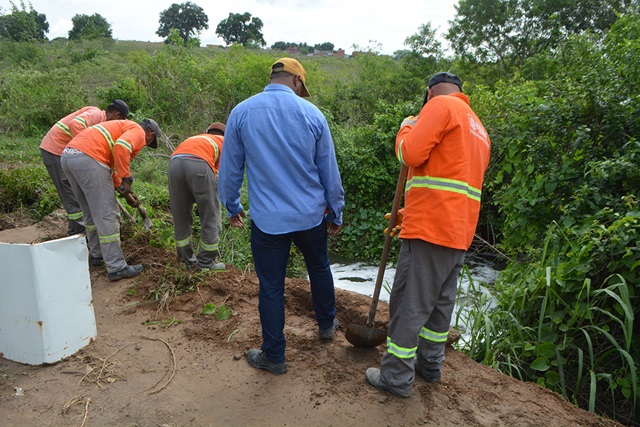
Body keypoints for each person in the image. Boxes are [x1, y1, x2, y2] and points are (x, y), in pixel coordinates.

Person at [365, 72, 491, 397]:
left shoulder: (439, 107)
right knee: (440, 305)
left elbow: (410, 155)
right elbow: (450, 181)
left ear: (429, 92)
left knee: (410, 303)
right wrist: (409, 214)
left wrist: (407, 126)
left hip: (430, 231)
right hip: (458, 232)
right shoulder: (478, 128)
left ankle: (396, 377)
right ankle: (430, 366)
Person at [218, 58, 345, 375]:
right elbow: (329, 170)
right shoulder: (312, 114)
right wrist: (336, 210)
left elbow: (231, 170)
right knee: (318, 267)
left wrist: (232, 206)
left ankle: (274, 356)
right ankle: (327, 324)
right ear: (298, 82)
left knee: (271, 286)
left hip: (268, 221)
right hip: (310, 216)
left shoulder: (242, 112)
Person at [60, 118, 161, 281]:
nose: (143, 146)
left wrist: (123, 189)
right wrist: (126, 179)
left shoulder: (119, 127)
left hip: (70, 156)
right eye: (147, 143)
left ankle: (98, 255)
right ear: (150, 134)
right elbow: (122, 148)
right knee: (107, 214)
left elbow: (107, 167)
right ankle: (116, 266)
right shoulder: (138, 131)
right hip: (89, 159)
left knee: (90, 212)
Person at [40, 100, 129, 235]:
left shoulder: (100, 127)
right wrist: (86, 148)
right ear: (116, 116)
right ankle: (77, 234)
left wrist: (117, 183)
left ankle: (81, 233)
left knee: (79, 194)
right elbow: (75, 124)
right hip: (55, 151)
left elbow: (106, 162)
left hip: (64, 154)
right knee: (72, 196)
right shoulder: (96, 114)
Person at [168, 122, 226, 271]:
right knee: (211, 215)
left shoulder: (197, 138)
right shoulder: (224, 142)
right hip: (199, 164)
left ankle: (186, 260)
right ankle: (206, 262)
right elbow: (219, 176)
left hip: (174, 164)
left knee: (180, 215)